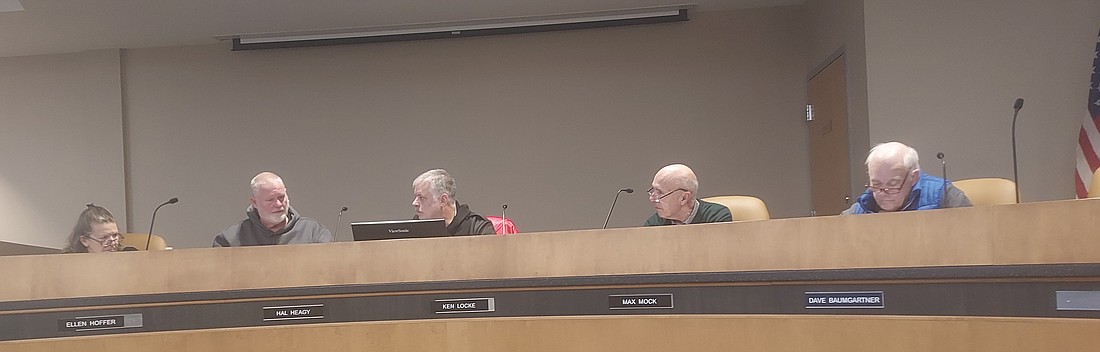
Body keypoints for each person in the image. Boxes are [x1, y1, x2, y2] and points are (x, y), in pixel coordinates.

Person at [842, 141, 972, 215]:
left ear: (913, 177)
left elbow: (975, 233)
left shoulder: (944, 195)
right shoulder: (865, 204)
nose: (884, 192)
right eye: (876, 184)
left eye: (893, 184)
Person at [214, 172, 332, 246]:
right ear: (255, 202)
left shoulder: (313, 232)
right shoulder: (230, 240)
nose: (279, 204)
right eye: (270, 200)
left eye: (281, 197)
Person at [412, 169, 496, 235]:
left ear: (443, 200)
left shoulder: (477, 227)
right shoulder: (416, 227)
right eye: (415, 197)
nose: (414, 203)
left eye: (422, 198)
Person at [644, 164, 732, 226]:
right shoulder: (654, 223)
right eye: (653, 190)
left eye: (660, 192)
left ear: (684, 198)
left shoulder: (716, 217)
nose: (652, 198)